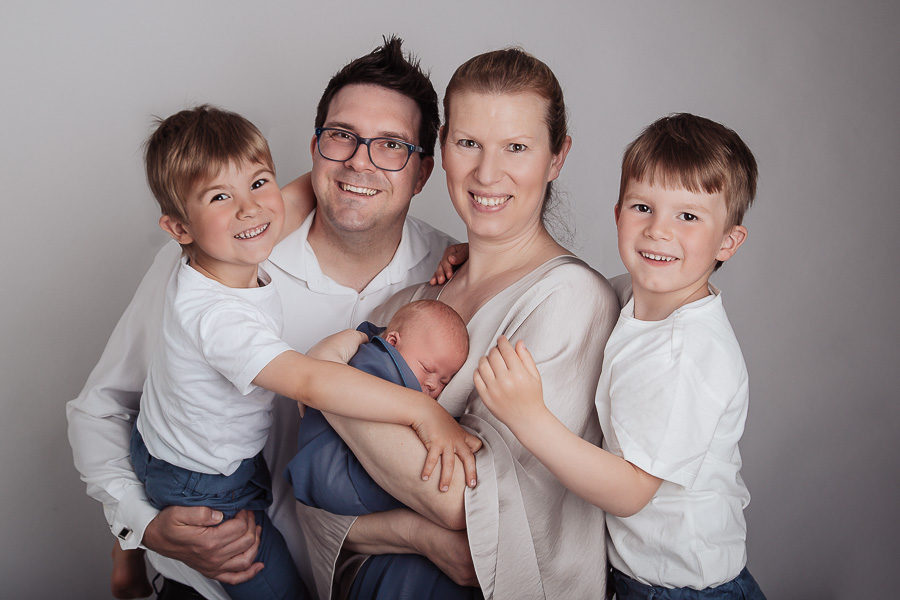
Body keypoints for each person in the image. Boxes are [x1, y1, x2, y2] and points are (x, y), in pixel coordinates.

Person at [68, 37, 468, 600]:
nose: (360, 160)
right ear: (315, 147)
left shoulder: (453, 276)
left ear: (423, 171)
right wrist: (143, 526)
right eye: (342, 136)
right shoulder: (213, 263)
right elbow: (102, 408)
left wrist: (482, 255)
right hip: (219, 566)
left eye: (391, 145)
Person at [300, 48, 619, 599]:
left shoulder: (569, 299)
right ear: (443, 147)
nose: (487, 174)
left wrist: (322, 382)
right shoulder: (413, 298)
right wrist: (414, 534)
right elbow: (312, 495)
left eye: (516, 147)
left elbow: (468, 502)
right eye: (469, 143)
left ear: (557, 157)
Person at [474, 113, 767, 599]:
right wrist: (478, 263)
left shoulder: (687, 352)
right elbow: (566, 281)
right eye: (642, 207)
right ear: (617, 215)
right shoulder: (635, 296)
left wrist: (529, 418)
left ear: (727, 242)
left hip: (684, 589)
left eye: (688, 217)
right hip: (639, 576)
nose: (658, 231)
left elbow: (630, 492)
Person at [287, 299, 469, 517]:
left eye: (444, 381)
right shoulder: (377, 360)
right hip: (334, 469)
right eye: (427, 368)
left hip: (327, 473)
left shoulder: (388, 355)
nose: (432, 384)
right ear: (392, 342)